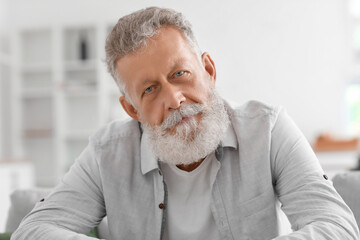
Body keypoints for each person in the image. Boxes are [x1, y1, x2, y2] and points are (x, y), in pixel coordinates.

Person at [12, 7, 359, 240]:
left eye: (180, 74)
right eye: (149, 90)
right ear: (132, 110)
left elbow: (337, 226)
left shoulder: (268, 129)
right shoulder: (107, 152)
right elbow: (35, 229)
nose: (174, 99)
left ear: (208, 70)